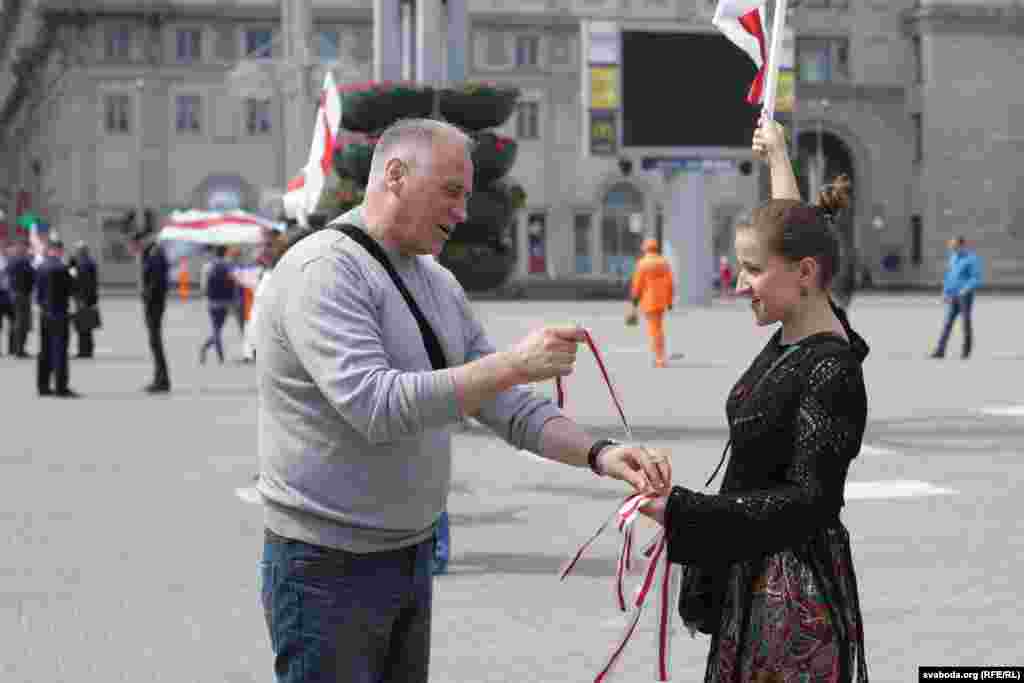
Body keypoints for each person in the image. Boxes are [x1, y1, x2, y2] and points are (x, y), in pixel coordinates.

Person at [256, 118, 672, 683]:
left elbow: (503, 402)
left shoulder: (434, 280)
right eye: (451, 192)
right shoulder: (324, 270)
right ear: (395, 176)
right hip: (324, 568)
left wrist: (600, 453)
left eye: (467, 196)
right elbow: (375, 406)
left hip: (408, 555)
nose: (461, 212)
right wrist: (512, 364)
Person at [638, 120, 870, 681]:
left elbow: (810, 500)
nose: (740, 284)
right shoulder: (799, 321)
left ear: (806, 274)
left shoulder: (831, 368)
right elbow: (794, 230)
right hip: (753, 572)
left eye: (752, 270)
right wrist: (778, 156)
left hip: (792, 602)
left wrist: (684, 512)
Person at [35, 239, 78, 397]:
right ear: (59, 250)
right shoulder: (62, 268)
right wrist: (73, 270)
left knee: (45, 350)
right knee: (60, 351)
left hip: (45, 314)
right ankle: (61, 387)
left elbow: (38, 293)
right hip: (59, 313)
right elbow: (73, 288)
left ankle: (43, 386)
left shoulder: (41, 267)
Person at [129, 228, 171, 393]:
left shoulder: (155, 253)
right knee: (154, 342)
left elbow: (156, 282)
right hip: (152, 303)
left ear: (141, 241)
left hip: (154, 304)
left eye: (134, 245)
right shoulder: (150, 253)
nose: (134, 249)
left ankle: (162, 380)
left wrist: (146, 295)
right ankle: (159, 378)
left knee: (155, 342)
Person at [930, 236, 982, 359]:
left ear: (962, 246)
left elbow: (976, 278)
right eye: (952, 247)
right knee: (947, 323)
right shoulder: (953, 258)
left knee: (965, 323)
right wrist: (945, 292)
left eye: (955, 247)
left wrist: (965, 289)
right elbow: (949, 276)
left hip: (965, 296)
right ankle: (940, 351)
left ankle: (966, 351)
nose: (953, 249)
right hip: (953, 295)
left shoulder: (972, 259)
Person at [628, 238, 675, 368]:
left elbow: (637, 284)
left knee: (654, 330)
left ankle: (659, 358)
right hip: (662, 301)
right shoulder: (664, 263)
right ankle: (659, 356)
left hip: (649, 301)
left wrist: (634, 300)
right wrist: (669, 301)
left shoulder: (643, 263)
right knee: (658, 328)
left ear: (645, 248)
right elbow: (670, 284)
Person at [69, 242, 99, 358]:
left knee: (83, 325)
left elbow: (78, 281)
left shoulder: (83, 264)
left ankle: (84, 350)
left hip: (82, 298)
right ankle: (87, 349)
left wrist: (82, 298)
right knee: (86, 325)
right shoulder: (88, 262)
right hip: (88, 298)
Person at [7, 239, 35, 358]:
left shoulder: (13, 260)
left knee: (19, 321)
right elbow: (32, 275)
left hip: (15, 293)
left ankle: (16, 348)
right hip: (22, 294)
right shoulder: (23, 260)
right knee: (22, 322)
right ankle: (20, 349)